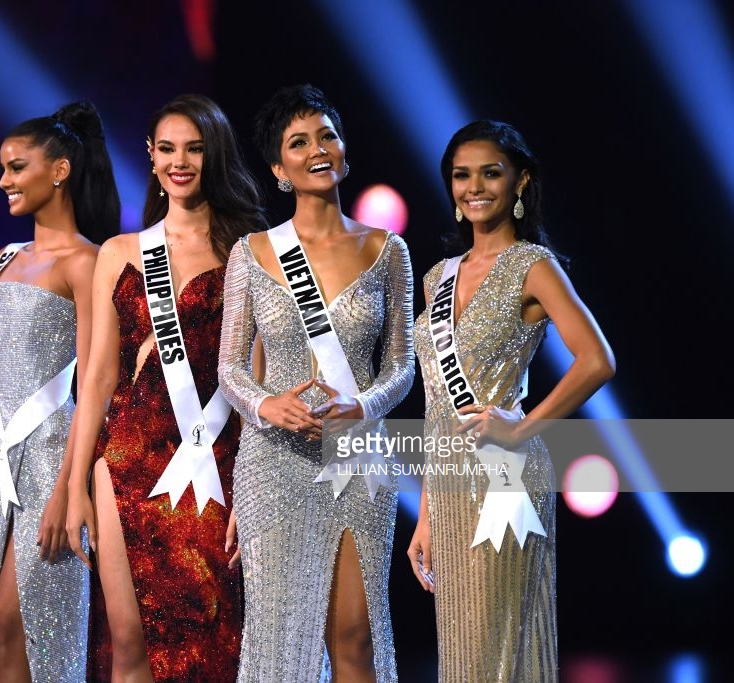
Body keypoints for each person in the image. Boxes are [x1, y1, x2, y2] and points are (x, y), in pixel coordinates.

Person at [66, 94, 266, 682]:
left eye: (195, 149)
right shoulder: (120, 252)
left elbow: (255, 376)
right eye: (168, 149)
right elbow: (98, 376)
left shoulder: (249, 251)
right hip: (126, 461)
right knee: (128, 641)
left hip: (214, 461)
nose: (180, 162)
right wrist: (75, 483)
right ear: (151, 156)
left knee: (211, 643)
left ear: (214, 154)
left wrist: (252, 483)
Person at [217, 84, 414, 682]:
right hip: (273, 461)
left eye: (327, 136)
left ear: (344, 151)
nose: (317, 149)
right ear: (280, 169)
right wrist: (266, 405)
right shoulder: (252, 253)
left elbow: (402, 366)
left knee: (354, 635)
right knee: (280, 638)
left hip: (356, 456)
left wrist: (364, 403)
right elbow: (229, 368)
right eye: (298, 142)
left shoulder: (387, 250)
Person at [406, 120, 615, 682]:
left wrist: (522, 428)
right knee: (462, 658)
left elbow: (597, 360)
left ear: (520, 182)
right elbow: (435, 406)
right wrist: (426, 512)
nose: (474, 187)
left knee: (492, 657)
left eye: (490, 173)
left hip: (504, 474)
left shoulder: (532, 266)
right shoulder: (437, 277)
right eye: (461, 175)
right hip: (450, 484)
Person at [0, 102, 120, 683]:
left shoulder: (87, 261)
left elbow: (95, 382)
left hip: (49, 461)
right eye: (3, 168)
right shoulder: (4, 259)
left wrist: (69, 489)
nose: (3, 180)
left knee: (20, 625)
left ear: (59, 171)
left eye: (16, 167)